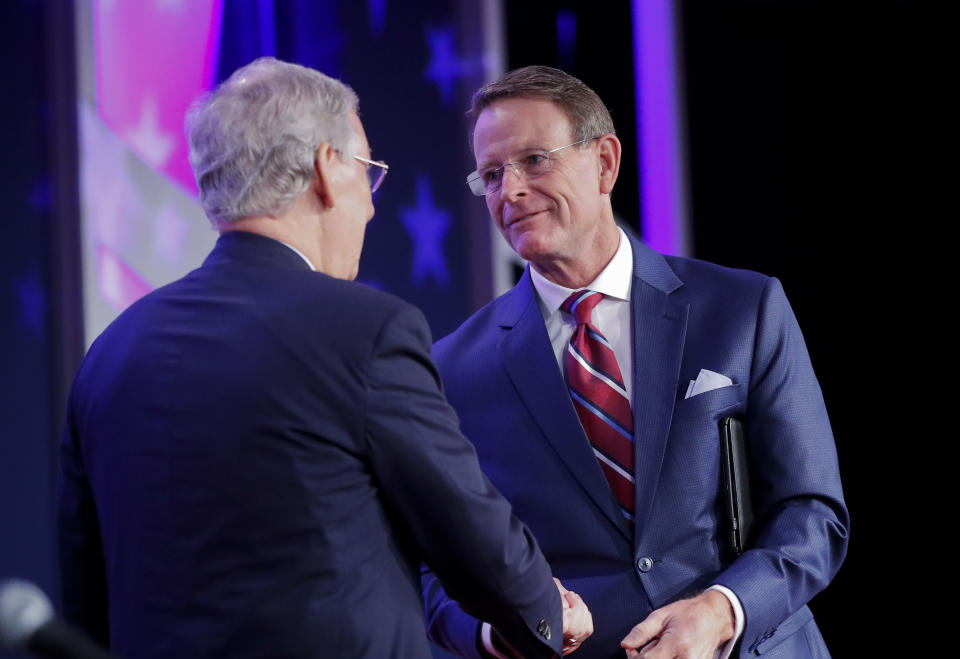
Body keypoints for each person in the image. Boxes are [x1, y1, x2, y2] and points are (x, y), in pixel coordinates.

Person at [57, 57, 594, 659]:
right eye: (367, 174)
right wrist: (545, 612)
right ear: (324, 168)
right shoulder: (361, 330)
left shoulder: (111, 353)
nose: (368, 207)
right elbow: (463, 523)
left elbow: (84, 596)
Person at [422, 66, 849, 658]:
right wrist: (500, 634)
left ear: (604, 162)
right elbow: (432, 572)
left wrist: (724, 609)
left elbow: (814, 512)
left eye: (535, 160)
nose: (509, 191)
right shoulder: (452, 370)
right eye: (491, 175)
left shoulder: (742, 308)